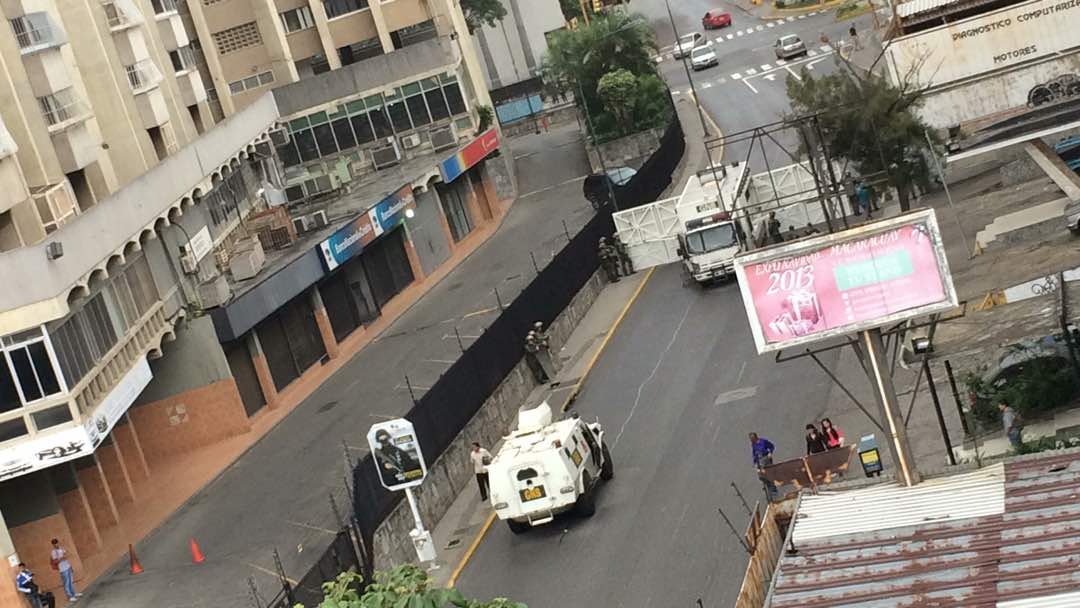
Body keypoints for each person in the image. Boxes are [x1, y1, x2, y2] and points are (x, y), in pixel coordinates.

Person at [749, 433, 778, 502]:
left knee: (768, 474)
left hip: (766, 459)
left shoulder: (763, 441)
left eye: (752, 439)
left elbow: (772, 446)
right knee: (761, 476)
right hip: (760, 461)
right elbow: (754, 454)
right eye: (751, 440)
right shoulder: (753, 445)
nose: (751, 441)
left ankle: (773, 488)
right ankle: (768, 485)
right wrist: (755, 462)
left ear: (756, 438)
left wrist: (770, 453)